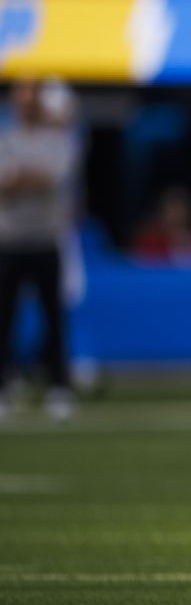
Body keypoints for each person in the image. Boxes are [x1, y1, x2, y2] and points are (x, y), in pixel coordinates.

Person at [0, 79, 79, 420]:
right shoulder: (7, 140)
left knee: (54, 318)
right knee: (5, 318)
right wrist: (26, 178)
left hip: (47, 238)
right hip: (10, 240)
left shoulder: (57, 141)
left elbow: (52, 178)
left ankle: (58, 386)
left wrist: (20, 178)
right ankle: (5, 385)